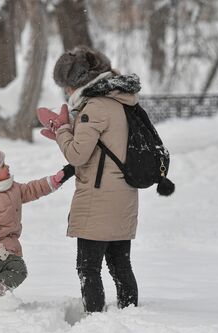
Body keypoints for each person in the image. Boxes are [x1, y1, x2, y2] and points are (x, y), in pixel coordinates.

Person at [39, 46, 142, 313]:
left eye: (67, 86)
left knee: (88, 267)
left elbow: (77, 154)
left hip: (99, 197)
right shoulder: (120, 100)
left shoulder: (94, 107)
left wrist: (62, 130)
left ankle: (95, 320)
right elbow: (108, 142)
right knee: (121, 264)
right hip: (124, 192)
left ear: (78, 82)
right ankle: (130, 314)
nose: (66, 92)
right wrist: (71, 130)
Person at [0, 144, 73, 305]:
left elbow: (31, 190)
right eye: (2, 165)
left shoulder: (11, 188)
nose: (7, 166)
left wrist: (54, 180)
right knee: (18, 270)